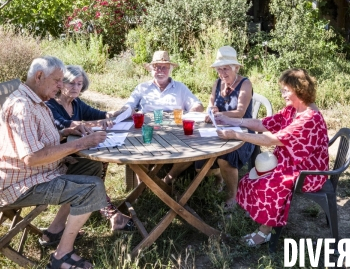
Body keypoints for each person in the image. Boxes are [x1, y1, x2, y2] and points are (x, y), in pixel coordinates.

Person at [0, 56, 108, 269]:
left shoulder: (35, 100)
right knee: (92, 187)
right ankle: (61, 256)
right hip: (21, 185)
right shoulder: (22, 107)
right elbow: (32, 157)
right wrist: (80, 144)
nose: (61, 85)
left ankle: (55, 229)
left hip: (36, 174)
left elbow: (36, 140)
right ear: (39, 76)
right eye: (57, 81)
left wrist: (65, 132)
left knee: (91, 167)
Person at [215, 68, 329, 246]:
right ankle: (260, 214)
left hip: (308, 170)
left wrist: (236, 134)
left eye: (286, 90)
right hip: (291, 162)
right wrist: (233, 121)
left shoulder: (309, 118)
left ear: (300, 90)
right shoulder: (292, 110)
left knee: (269, 184)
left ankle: (265, 232)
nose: (282, 93)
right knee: (249, 178)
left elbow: (270, 139)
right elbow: (263, 124)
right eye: (282, 89)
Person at [45, 65, 134, 233]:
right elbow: (65, 125)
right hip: (58, 158)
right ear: (60, 84)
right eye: (70, 83)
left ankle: (97, 203)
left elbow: (98, 114)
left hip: (75, 152)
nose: (75, 87)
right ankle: (108, 211)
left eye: (79, 84)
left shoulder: (76, 103)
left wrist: (117, 113)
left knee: (101, 160)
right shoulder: (51, 105)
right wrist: (99, 124)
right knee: (95, 163)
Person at [163, 46, 254, 209]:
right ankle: (212, 179)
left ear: (236, 67)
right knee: (195, 146)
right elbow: (211, 104)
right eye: (219, 69)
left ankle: (232, 196)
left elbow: (240, 112)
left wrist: (223, 116)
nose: (222, 73)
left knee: (225, 157)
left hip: (242, 132)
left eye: (225, 69)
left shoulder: (245, 84)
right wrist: (211, 111)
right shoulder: (217, 83)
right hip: (218, 129)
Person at [124, 50, 203, 113]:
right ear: (151, 70)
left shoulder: (180, 88)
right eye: (156, 67)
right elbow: (128, 106)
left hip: (176, 129)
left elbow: (198, 106)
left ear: (170, 70)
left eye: (164, 67)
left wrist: (188, 114)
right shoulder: (142, 87)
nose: (160, 71)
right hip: (147, 128)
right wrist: (117, 113)